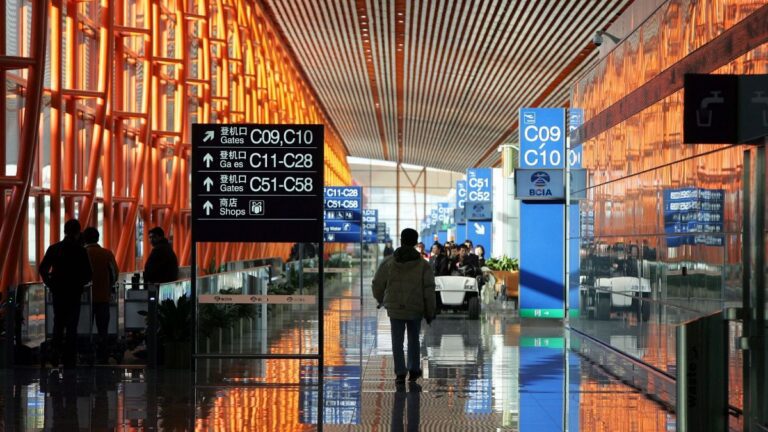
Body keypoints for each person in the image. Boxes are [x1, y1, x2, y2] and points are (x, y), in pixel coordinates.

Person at [373, 228, 436, 384]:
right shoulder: (423, 265)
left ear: (401, 240)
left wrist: (382, 300)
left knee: (397, 340)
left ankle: (400, 372)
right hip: (415, 308)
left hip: (395, 308)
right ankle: (414, 369)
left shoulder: (388, 262)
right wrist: (430, 312)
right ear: (415, 242)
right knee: (414, 339)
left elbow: (377, 284)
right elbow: (429, 290)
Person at [39, 219, 93, 367]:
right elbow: (89, 274)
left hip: (58, 291)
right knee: (72, 325)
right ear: (78, 232)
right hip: (74, 292)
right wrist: (79, 284)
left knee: (58, 323)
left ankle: (55, 354)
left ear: (64, 230)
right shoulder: (81, 251)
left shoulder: (54, 248)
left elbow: (42, 268)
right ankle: (69, 358)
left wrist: (50, 284)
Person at [82, 227, 119, 363]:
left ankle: (85, 355)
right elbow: (114, 274)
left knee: (84, 328)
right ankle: (102, 355)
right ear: (98, 238)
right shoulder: (106, 254)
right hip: (103, 297)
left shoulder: (82, 253)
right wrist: (108, 286)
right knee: (103, 329)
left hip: (84, 299)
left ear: (84, 239)